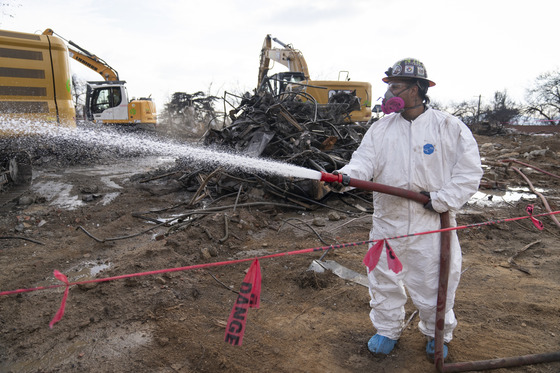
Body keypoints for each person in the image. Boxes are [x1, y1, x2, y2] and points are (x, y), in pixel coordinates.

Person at [335, 58, 482, 361]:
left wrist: (442, 199)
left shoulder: (448, 127)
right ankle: (387, 329)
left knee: (434, 283)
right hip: (388, 223)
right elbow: (363, 163)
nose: (389, 94)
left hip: (431, 224)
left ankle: (436, 332)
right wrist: (347, 177)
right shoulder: (380, 129)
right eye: (389, 87)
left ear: (417, 90)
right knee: (382, 281)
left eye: (396, 87)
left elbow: (468, 174)